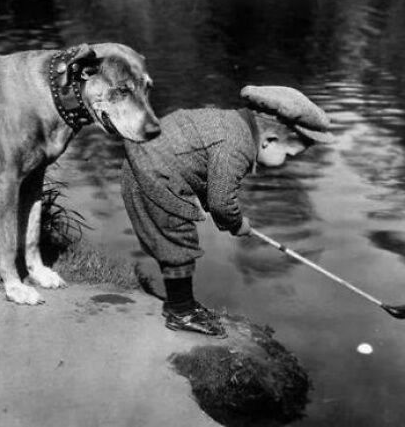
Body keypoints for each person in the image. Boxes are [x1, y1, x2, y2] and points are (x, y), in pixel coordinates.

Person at [121, 86, 333, 336]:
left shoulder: (232, 124)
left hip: (147, 165)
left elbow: (205, 174)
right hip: (153, 176)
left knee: (175, 241)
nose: (286, 161)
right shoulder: (238, 146)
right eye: (288, 154)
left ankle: (183, 304)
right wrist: (236, 223)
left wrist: (221, 210)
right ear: (269, 140)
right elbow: (221, 201)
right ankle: (181, 312)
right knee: (177, 243)